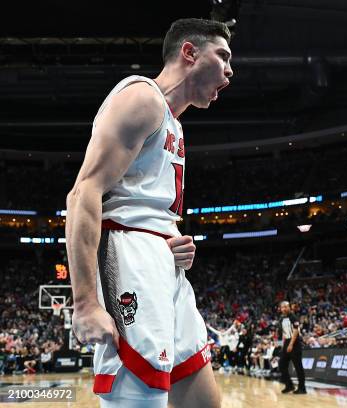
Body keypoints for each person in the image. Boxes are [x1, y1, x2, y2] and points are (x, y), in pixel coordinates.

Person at [66, 18, 233, 408]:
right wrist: (86, 303)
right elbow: (82, 193)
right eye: (222, 56)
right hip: (131, 260)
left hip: (162, 264)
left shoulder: (173, 122)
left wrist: (168, 242)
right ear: (189, 52)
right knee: (141, 398)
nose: (230, 70)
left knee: (204, 401)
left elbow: (141, 203)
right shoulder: (142, 97)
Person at [278, 301, 306, 395]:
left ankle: (302, 388)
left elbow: (295, 331)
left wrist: (291, 344)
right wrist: (284, 344)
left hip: (295, 343)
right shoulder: (281, 318)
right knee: (281, 365)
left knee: (298, 367)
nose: (284, 308)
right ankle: (289, 385)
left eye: (286, 307)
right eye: (282, 307)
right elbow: (284, 332)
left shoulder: (293, 317)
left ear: (289, 307)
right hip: (286, 342)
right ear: (280, 309)